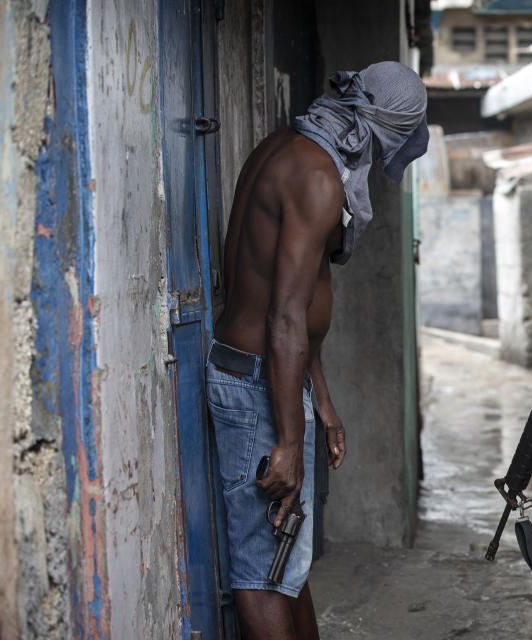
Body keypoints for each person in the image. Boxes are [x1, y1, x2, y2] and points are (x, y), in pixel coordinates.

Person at [206, 61, 428, 639]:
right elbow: (282, 318)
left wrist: (319, 399)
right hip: (260, 384)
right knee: (262, 573)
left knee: (287, 564)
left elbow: (293, 303)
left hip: (274, 378)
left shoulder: (291, 145)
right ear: (386, 127)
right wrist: (287, 437)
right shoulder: (318, 178)